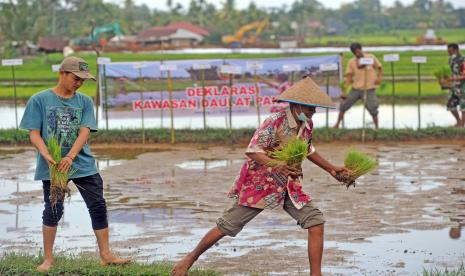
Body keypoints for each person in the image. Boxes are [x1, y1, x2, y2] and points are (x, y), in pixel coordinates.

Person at [172, 77, 351, 276]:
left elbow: (308, 149)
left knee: (315, 221)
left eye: (315, 109)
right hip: (260, 184)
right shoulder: (274, 122)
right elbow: (253, 150)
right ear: (298, 105)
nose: (313, 112)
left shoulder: (307, 125)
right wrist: (278, 165)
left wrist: (332, 169)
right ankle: (189, 259)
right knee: (228, 224)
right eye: (310, 108)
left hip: (289, 185)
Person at [19, 56, 129, 272]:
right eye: (75, 78)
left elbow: (84, 131)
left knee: (97, 206)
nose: (78, 83)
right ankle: (48, 259)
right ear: (62, 73)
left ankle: (105, 255)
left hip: (83, 164)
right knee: (53, 209)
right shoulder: (39, 100)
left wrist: (70, 157)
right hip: (53, 165)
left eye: (83, 80)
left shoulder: (85, 102)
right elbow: (34, 133)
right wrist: (46, 154)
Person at [334, 42, 383, 129]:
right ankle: (337, 124)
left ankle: (377, 128)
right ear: (353, 53)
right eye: (355, 53)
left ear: (361, 49)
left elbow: (379, 67)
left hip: (369, 88)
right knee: (344, 106)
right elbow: (349, 78)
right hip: (356, 89)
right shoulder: (351, 62)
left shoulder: (370, 57)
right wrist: (344, 91)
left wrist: (379, 78)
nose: (358, 54)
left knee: (373, 108)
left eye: (358, 51)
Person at [446, 43, 465, 127]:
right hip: (453, 87)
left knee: (463, 106)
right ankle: (458, 121)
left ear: (456, 50)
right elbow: (450, 72)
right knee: (450, 104)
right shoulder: (450, 60)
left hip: (462, 87)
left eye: (451, 51)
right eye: (448, 51)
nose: (449, 53)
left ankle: (461, 124)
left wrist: (454, 79)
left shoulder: (463, 60)